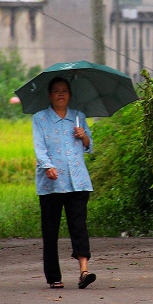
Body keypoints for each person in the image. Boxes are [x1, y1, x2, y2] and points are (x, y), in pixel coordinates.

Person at [33, 76, 97, 289]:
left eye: (65, 91)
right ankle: (53, 276)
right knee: (50, 230)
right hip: (51, 183)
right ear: (50, 95)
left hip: (77, 181)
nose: (61, 94)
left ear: (70, 95)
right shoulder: (40, 119)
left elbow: (90, 146)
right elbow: (39, 147)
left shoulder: (78, 117)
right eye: (57, 91)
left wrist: (84, 137)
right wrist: (47, 165)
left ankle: (84, 270)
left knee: (78, 226)